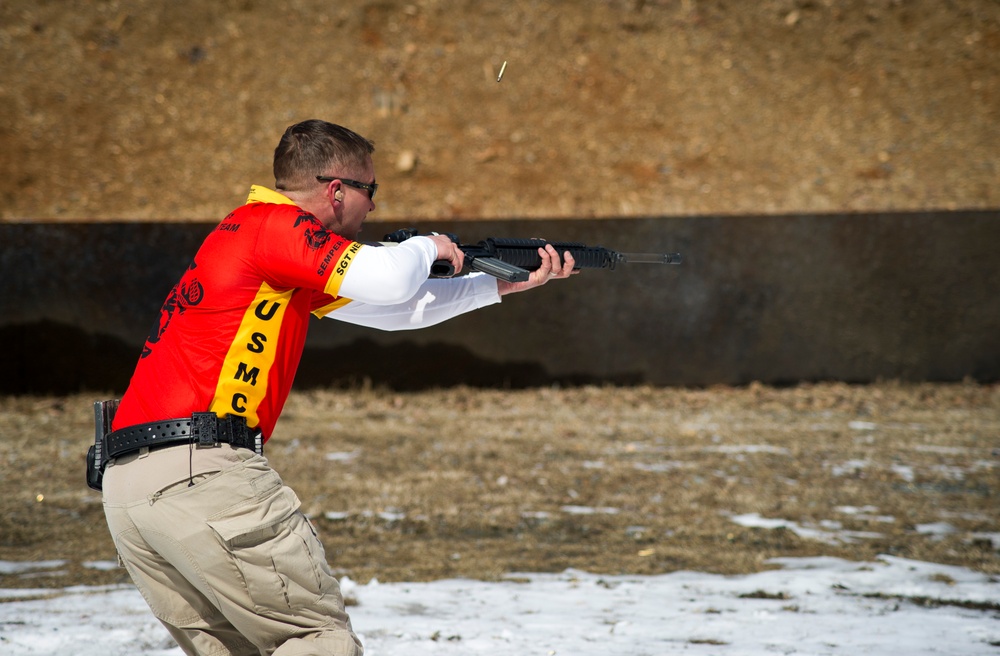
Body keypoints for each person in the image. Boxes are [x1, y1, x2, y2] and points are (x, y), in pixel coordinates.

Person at [98, 119, 577, 656]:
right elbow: (392, 276)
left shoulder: (255, 239)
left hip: (133, 488)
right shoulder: (275, 227)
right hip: (200, 472)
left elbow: (396, 310)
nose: (372, 207)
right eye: (369, 191)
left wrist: (497, 283)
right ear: (336, 190)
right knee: (317, 641)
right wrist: (428, 246)